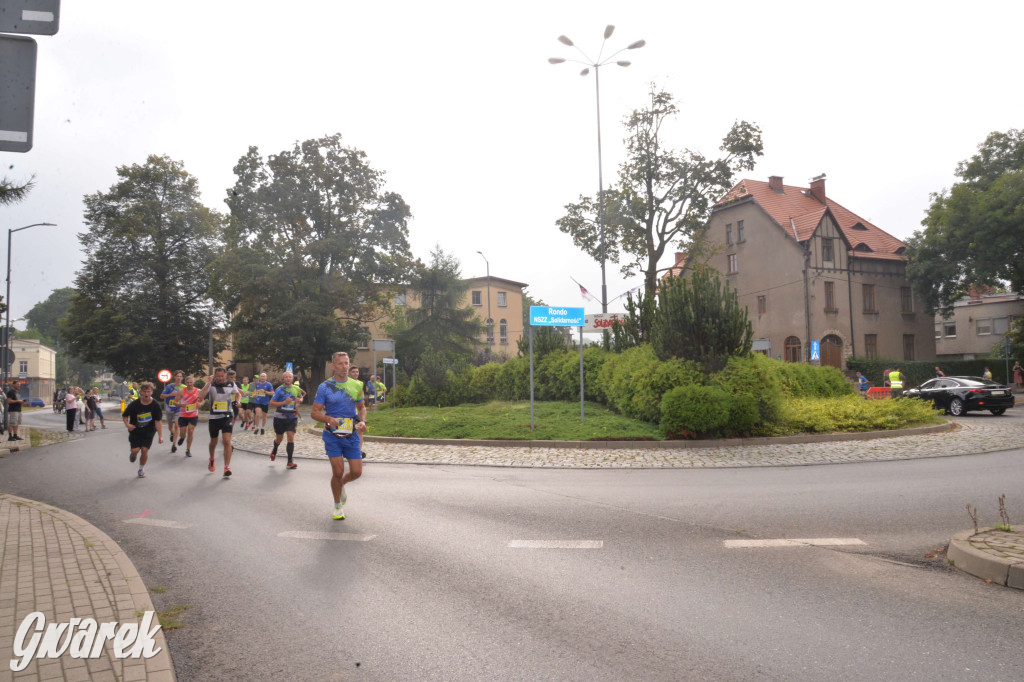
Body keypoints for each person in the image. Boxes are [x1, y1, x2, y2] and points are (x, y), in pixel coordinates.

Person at [312, 352, 367, 521]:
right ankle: (337, 506)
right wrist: (328, 419)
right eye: (340, 363)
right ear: (333, 366)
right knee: (337, 471)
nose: (344, 367)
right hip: (332, 435)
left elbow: (361, 407)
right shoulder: (325, 387)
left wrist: (362, 421)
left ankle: (341, 484)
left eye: (347, 363)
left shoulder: (356, 385)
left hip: (351, 434)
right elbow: (314, 412)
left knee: (357, 472)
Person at [198, 367, 240, 477]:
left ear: (225, 375)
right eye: (218, 376)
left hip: (227, 415)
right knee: (213, 442)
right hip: (214, 417)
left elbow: (238, 394)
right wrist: (208, 382)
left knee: (227, 440)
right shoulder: (211, 384)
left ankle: (227, 467)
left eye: (222, 376)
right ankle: (212, 459)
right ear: (215, 376)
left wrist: (238, 401)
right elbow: (200, 396)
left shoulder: (231, 384)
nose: (220, 378)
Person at [122, 381, 164, 477]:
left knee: (145, 449)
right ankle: (133, 454)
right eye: (144, 391)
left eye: (148, 391)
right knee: (135, 450)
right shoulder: (134, 404)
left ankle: (141, 469)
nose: (146, 393)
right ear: (141, 392)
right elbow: (125, 415)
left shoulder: (155, 405)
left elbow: (158, 421)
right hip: (135, 430)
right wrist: (127, 425)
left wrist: (160, 436)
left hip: (149, 430)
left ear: (151, 392)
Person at [268, 371, 302, 469]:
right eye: (286, 377)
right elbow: (271, 403)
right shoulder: (279, 390)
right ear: (283, 379)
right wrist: (284, 402)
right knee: (279, 439)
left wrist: (299, 400)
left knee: (291, 437)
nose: (288, 378)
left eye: (290, 377)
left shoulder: (296, 389)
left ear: (292, 379)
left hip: (292, 417)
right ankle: (275, 449)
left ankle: (290, 461)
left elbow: (300, 397)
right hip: (280, 418)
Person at [175, 375, 201, 457]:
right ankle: (182, 437)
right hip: (183, 415)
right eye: (188, 382)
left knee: (190, 431)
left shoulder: (198, 391)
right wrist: (181, 405)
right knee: (183, 433)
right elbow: (175, 402)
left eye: (191, 382)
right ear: (185, 383)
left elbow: (202, 400)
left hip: (193, 414)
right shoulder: (181, 391)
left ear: (193, 382)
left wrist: (200, 404)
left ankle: (188, 449)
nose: (189, 384)